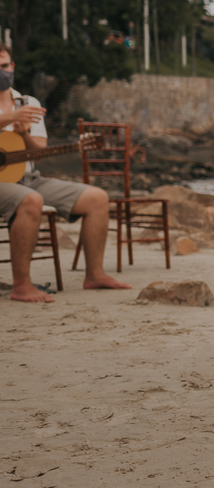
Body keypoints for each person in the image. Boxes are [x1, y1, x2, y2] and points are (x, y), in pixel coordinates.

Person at [0, 45, 131, 302]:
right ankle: (22, 285)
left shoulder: (28, 104)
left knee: (97, 198)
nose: (1, 72)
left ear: (12, 67)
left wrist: (23, 134)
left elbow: (38, 152)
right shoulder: (18, 110)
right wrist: (9, 118)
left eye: (4, 66)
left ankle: (94, 275)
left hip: (28, 177)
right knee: (31, 200)